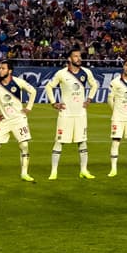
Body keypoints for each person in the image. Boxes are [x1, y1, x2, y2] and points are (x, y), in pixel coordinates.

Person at [44, 48, 99, 180]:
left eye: (79, 56)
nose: (79, 58)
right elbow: (49, 87)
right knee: (59, 141)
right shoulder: (61, 73)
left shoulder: (86, 72)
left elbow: (94, 85)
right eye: (75, 56)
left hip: (80, 114)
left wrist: (89, 98)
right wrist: (53, 103)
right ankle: (54, 172)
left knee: (82, 142)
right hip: (66, 114)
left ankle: (84, 170)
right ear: (69, 59)